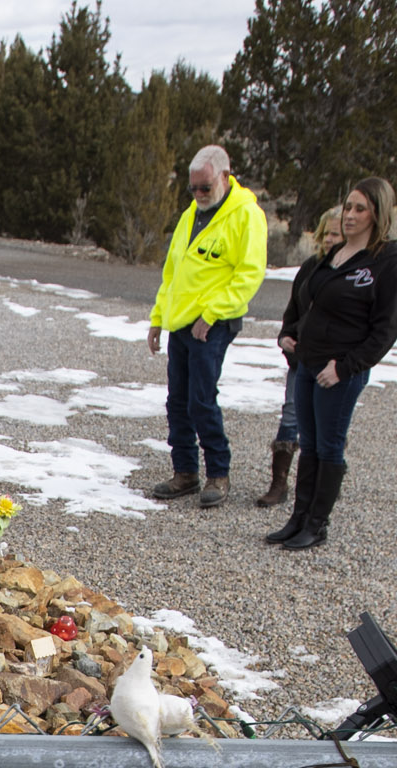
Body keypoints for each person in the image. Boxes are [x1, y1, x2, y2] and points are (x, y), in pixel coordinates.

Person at [266, 177, 397, 552]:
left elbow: (385, 330)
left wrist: (345, 367)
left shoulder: (387, 263)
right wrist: (290, 334)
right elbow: (309, 303)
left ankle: (317, 523)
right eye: (348, 207)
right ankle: (299, 517)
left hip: (339, 372)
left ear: (378, 213)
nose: (350, 215)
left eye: (360, 208)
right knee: (309, 445)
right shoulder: (335, 255)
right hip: (309, 364)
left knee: (329, 447)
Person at [145, 145, 268, 508]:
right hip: (181, 322)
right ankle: (185, 471)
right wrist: (157, 319)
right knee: (177, 400)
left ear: (225, 178)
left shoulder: (246, 215)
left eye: (205, 187)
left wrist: (212, 314)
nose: (199, 195)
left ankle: (218, 473)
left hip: (211, 325)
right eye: (193, 189)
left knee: (201, 399)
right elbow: (173, 272)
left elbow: (249, 274)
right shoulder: (190, 215)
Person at [256, 206, 342, 508]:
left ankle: (324, 486)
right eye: (327, 233)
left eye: (337, 234)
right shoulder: (311, 268)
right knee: (292, 415)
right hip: (302, 359)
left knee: (327, 424)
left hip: (335, 363)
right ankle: (279, 483)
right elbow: (293, 311)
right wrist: (286, 336)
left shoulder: (355, 274)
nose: (330, 239)